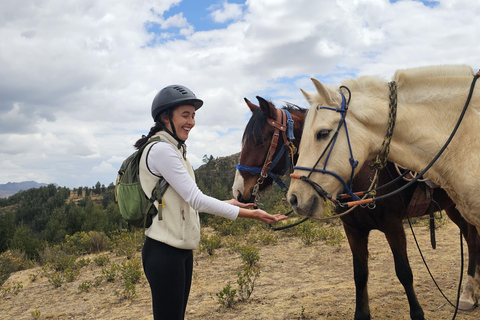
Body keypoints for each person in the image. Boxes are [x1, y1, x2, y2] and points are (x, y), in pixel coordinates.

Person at [136, 84, 288, 320]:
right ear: (166, 117)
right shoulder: (161, 150)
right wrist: (253, 215)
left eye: (193, 115)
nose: (191, 122)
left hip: (180, 250)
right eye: (185, 115)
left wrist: (231, 203)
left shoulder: (174, 148)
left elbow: (187, 201)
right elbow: (197, 199)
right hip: (164, 252)